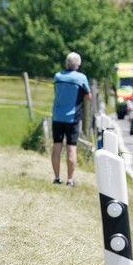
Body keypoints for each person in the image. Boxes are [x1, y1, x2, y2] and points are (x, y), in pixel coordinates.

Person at [51, 52, 91, 187]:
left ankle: (56, 177)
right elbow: (88, 96)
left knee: (57, 146)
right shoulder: (81, 78)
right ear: (78, 65)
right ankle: (70, 180)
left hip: (57, 116)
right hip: (72, 117)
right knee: (71, 148)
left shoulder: (58, 76)